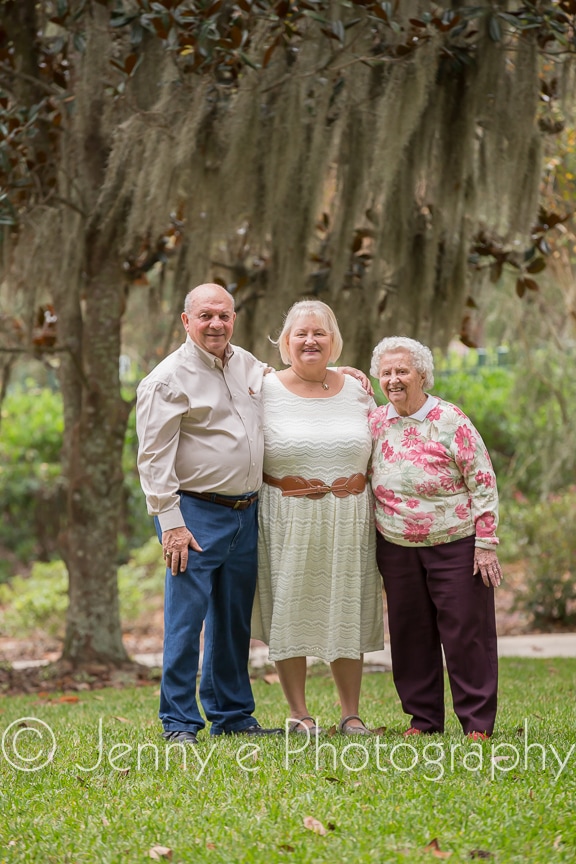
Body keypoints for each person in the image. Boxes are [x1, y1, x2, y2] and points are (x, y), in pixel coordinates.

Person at [135, 283, 283, 743]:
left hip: (245, 512)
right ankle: (178, 721)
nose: (216, 324)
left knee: (232, 620)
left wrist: (344, 374)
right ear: (186, 321)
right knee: (186, 622)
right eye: (205, 316)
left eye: (224, 315)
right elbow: (153, 460)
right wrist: (171, 525)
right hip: (194, 514)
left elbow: (290, 380)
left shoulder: (247, 365)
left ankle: (233, 715)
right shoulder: (166, 380)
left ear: (234, 318)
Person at [251, 300, 384, 736]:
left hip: (349, 517)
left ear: (333, 341)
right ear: (285, 343)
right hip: (286, 514)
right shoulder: (263, 388)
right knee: (291, 609)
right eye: (301, 334)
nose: (310, 340)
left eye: (319, 333)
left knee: (346, 608)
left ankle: (351, 714)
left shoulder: (358, 389)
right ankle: (299, 713)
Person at [368, 336, 502, 739]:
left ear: (422, 375)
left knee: (466, 633)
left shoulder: (450, 419)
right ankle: (423, 721)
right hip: (397, 547)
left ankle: (477, 723)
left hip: (456, 544)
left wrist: (486, 542)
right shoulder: (376, 421)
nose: (393, 380)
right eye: (386, 373)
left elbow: (482, 480)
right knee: (410, 635)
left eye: (402, 371)